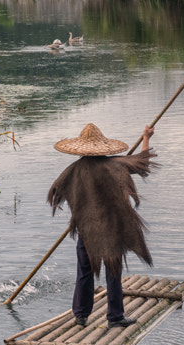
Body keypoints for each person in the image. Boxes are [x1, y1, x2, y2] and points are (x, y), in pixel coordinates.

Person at [47, 123, 158, 327]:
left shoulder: (73, 170)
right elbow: (144, 163)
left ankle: (81, 314)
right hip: (110, 229)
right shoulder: (116, 165)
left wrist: (79, 210)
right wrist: (146, 137)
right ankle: (115, 316)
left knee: (84, 272)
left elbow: (56, 192)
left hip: (86, 230)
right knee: (113, 271)